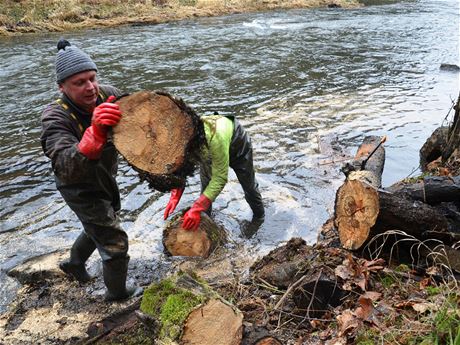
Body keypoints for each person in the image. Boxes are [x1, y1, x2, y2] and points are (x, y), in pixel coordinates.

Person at [40, 39, 142, 301]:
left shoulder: (107, 94)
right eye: (79, 82)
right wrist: (94, 133)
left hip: (106, 176)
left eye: (92, 78)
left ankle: (73, 264)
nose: (90, 88)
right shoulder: (55, 116)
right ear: (61, 86)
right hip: (78, 186)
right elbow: (63, 162)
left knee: (97, 223)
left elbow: (135, 122)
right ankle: (117, 294)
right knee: (115, 241)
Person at [163, 113, 264, 236]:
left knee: (249, 186)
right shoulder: (184, 138)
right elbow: (181, 166)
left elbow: (220, 179)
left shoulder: (215, 139)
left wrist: (196, 207)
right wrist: (175, 195)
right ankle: (205, 227)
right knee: (206, 188)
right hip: (206, 148)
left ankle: (259, 218)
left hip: (237, 145)